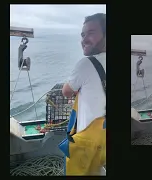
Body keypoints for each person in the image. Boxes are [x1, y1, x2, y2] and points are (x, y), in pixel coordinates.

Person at [59, 13, 106, 175]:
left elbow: (66, 91)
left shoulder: (86, 63)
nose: (84, 39)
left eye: (91, 33)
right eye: (83, 34)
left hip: (88, 141)